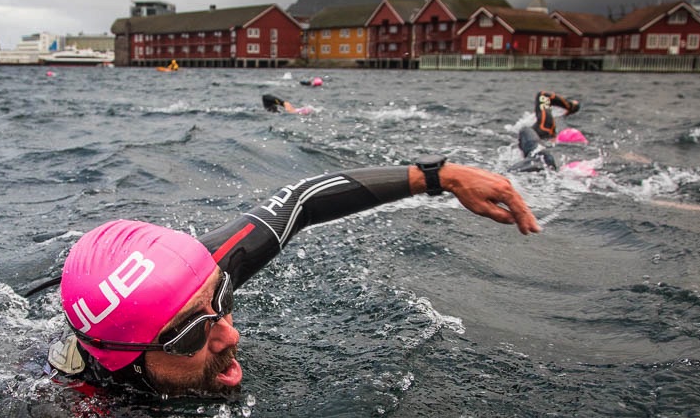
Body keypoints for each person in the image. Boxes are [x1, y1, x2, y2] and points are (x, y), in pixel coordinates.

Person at [42, 157, 540, 398]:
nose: (230, 333)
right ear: (126, 364)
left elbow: (302, 198)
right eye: (194, 332)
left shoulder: (195, 274)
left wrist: (440, 176)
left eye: (223, 295)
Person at [511, 90, 582, 173]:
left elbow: (543, 96)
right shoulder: (546, 130)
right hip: (543, 163)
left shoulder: (544, 128)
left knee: (525, 130)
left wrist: (572, 105)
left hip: (536, 157)